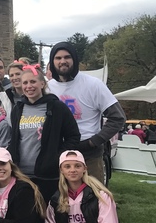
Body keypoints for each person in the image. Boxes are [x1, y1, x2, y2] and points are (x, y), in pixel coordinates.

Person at [47, 42, 126, 182]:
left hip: (88, 154)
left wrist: (94, 141)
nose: (63, 61)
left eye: (67, 57)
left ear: (75, 60)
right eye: (58, 58)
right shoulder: (47, 88)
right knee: (61, 201)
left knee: (93, 199)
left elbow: (117, 118)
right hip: (59, 153)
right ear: (52, 62)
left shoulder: (93, 84)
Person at [9, 64, 80, 201]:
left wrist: (57, 156)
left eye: (33, 81)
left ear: (42, 83)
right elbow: (15, 138)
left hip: (48, 175)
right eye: (25, 83)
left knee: (49, 215)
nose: (29, 86)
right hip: (21, 174)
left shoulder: (57, 107)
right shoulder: (18, 109)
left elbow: (73, 136)